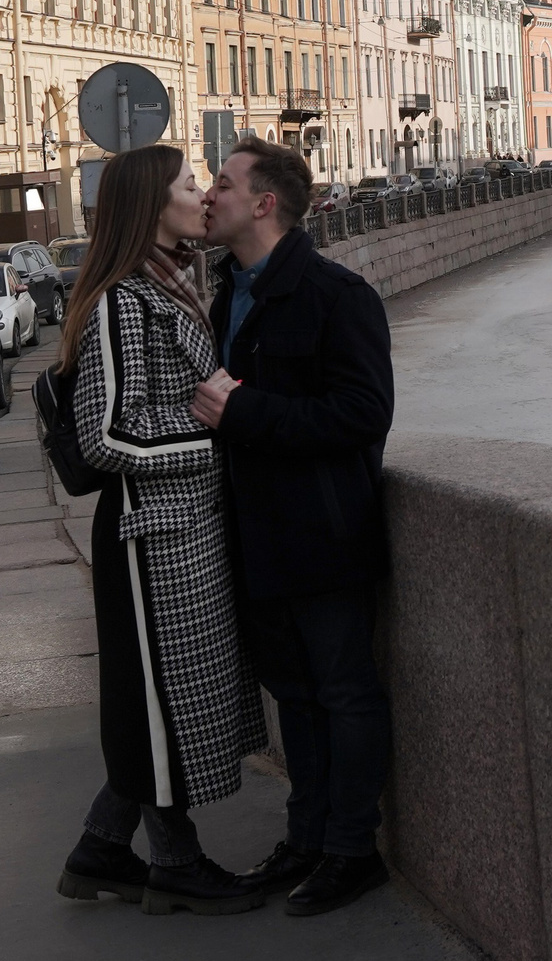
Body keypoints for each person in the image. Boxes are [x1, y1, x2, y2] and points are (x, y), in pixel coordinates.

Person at [55, 145, 268, 916]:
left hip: (183, 532)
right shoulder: (122, 301)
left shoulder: (173, 286)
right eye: (188, 185)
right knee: (160, 707)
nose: (203, 195)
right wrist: (215, 427)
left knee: (161, 705)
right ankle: (174, 863)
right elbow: (105, 434)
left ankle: (101, 849)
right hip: (151, 541)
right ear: (151, 208)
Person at [191, 138, 397, 918]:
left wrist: (245, 411)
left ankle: (353, 848)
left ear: (264, 202)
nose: (211, 195)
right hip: (256, 536)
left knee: (345, 693)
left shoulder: (337, 295)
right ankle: (307, 838)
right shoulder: (227, 294)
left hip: (325, 533)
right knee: (297, 696)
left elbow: (363, 413)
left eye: (223, 183)